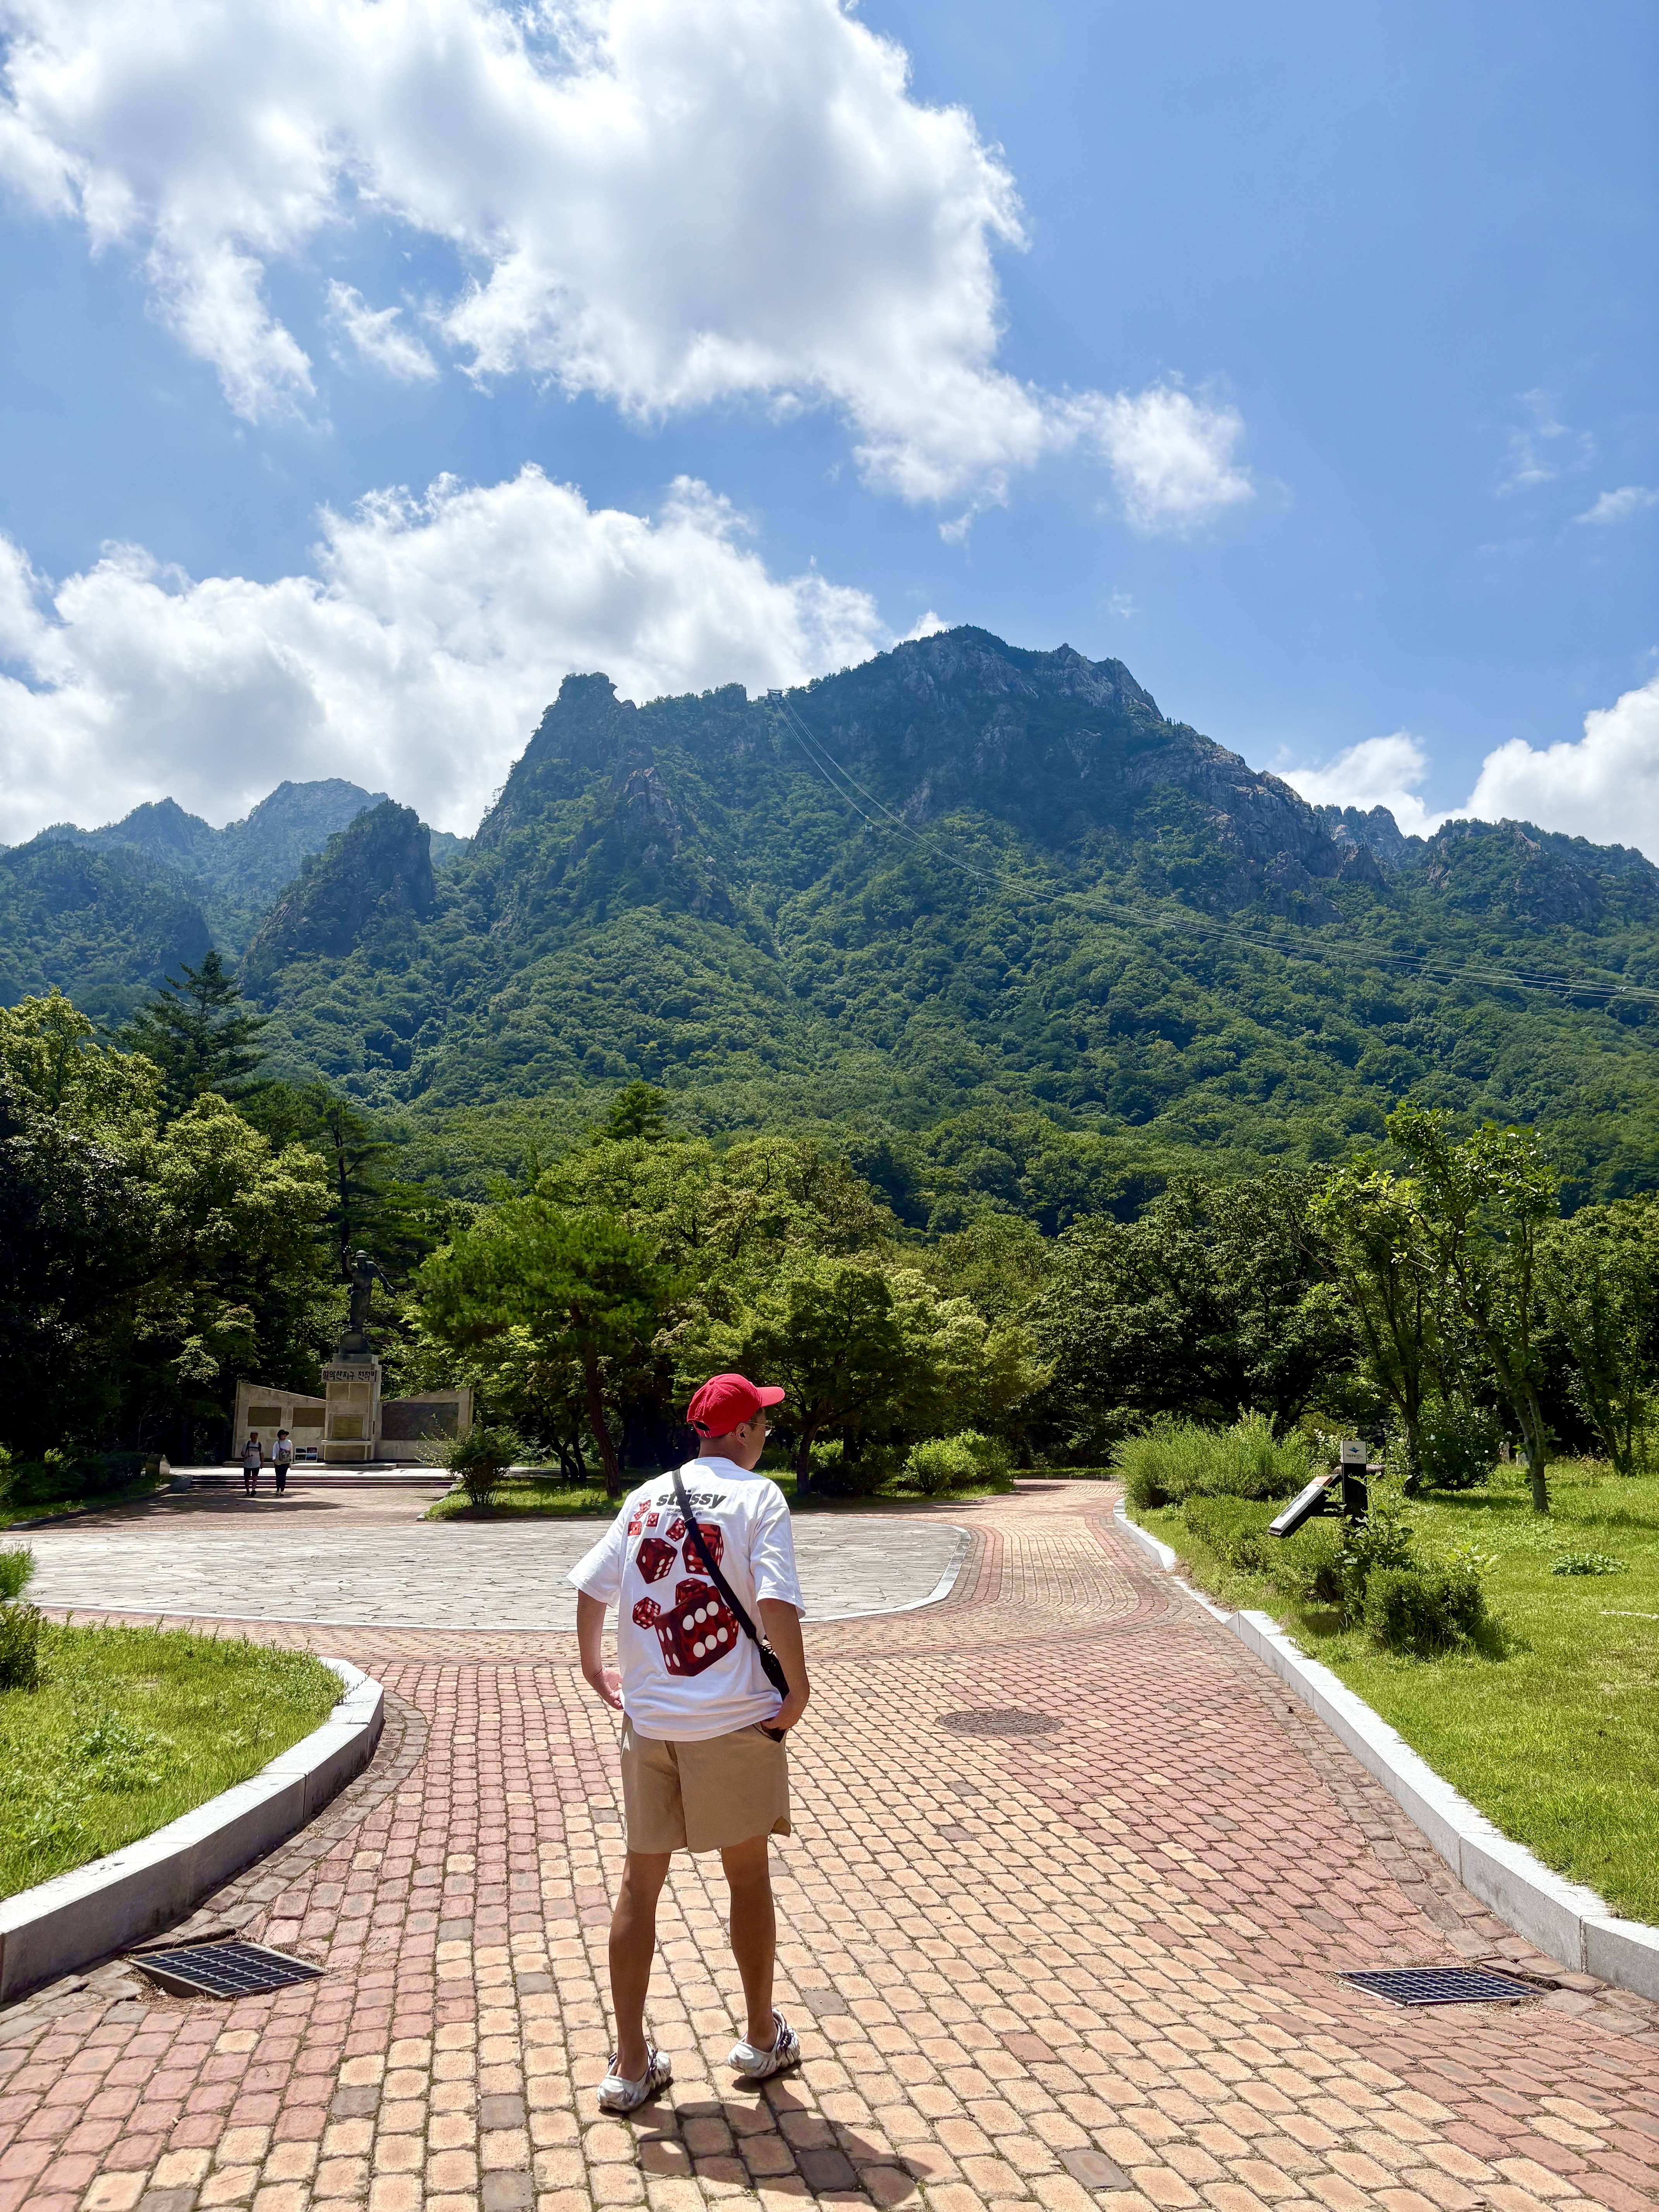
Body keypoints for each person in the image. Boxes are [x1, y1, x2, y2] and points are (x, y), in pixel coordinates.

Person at [569, 1372, 811, 2116]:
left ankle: (632, 2063)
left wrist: (592, 1666)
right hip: (733, 1721)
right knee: (746, 1878)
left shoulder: (645, 1495)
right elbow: (774, 1597)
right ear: (740, 1431)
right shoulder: (757, 1495)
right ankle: (759, 2034)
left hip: (650, 1724)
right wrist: (796, 1690)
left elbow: (591, 1587)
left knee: (639, 1887)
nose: (765, 1431)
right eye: (762, 1421)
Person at [272, 1428, 294, 1496]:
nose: (284, 1436)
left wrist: (291, 1461)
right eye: (283, 1434)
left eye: (285, 1434)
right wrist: (274, 1459)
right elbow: (274, 1452)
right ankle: (278, 1489)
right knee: (278, 1476)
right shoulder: (277, 1443)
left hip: (286, 1462)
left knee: (283, 1476)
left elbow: (291, 1452)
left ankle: (282, 1491)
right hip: (278, 1462)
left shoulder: (289, 1442)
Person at [241, 1432, 263, 1496]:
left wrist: (262, 1463)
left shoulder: (259, 1444)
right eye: (253, 1436)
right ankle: (248, 1491)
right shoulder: (247, 1444)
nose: (254, 1437)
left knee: (255, 1477)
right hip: (247, 1464)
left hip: (256, 1464)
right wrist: (245, 1456)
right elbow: (242, 1453)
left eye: (255, 1436)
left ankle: (253, 1489)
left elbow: (262, 1454)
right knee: (247, 1478)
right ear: (250, 1436)